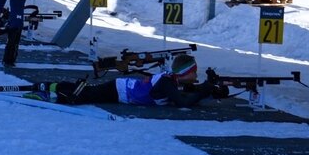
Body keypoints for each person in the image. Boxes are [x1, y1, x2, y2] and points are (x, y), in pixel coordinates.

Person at [30, 54, 225, 107]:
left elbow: (189, 92)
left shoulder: (173, 80)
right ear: (186, 73)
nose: (196, 75)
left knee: (87, 93)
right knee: (81, 98)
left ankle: (51, 87)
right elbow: (183, 101)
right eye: (194, 72)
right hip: (119, 90)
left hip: (122, 92)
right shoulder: (167, 82)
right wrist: (206, 88)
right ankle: (49, 92)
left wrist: (209, 88)